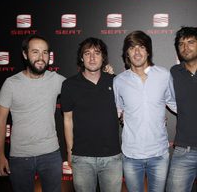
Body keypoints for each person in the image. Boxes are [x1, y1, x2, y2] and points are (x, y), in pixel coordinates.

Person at [0, 34, 65, 192]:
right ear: (25, 54)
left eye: (45, 52)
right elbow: (0, 121)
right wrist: (0, 155)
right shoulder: (11, 84)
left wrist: (106, 74)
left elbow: (81, 88)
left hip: (51, 155)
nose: (41, 57)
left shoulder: (56, 80)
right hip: (20, 157)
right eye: (35, 52)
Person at [113, 30, 176, 192]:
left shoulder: (164, 75)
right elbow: (117, 111)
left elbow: (174, 103)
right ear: (127, 53)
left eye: (141, 47)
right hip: (131, 155)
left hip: (159, 154)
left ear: (148, 51)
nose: (137, 52)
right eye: (132, 47)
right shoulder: (119, 81)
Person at [60, 37, 122, 192]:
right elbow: (67, 120)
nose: (92, 58)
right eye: (87, 53)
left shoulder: (116, 82)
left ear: (103, 57)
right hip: (81, 158)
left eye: (97, 53)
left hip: (112, 158)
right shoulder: (69, 85)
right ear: (82, 58)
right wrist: (70, 152)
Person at [166, 26, 197, 192]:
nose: (185, 47)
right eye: (181, 44)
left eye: (191, 42)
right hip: (184, 150)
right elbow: (167, 99)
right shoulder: (174, 72)